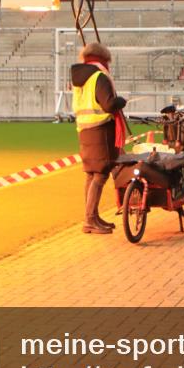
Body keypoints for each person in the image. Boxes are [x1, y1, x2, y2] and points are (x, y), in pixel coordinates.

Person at [71, 42, 128, 234]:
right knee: (101, 173)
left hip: (84, 129)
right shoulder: (99, 77)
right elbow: (108, 104)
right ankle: (90, 219)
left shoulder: (80, 79)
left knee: (91, 174)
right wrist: (121, 101)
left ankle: (92, 216)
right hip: (100, 130)